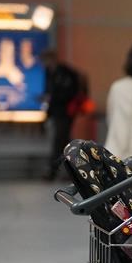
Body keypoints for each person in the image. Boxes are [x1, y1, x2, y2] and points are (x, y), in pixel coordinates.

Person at [41, 48, 81, 180]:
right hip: (57, 112)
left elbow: (66, 93)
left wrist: (52, 99)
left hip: (65, 112)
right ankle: (75, 171)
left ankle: (53, 172)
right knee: (64, 142)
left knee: (59, 142)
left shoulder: (65, 73)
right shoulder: (50, 72)